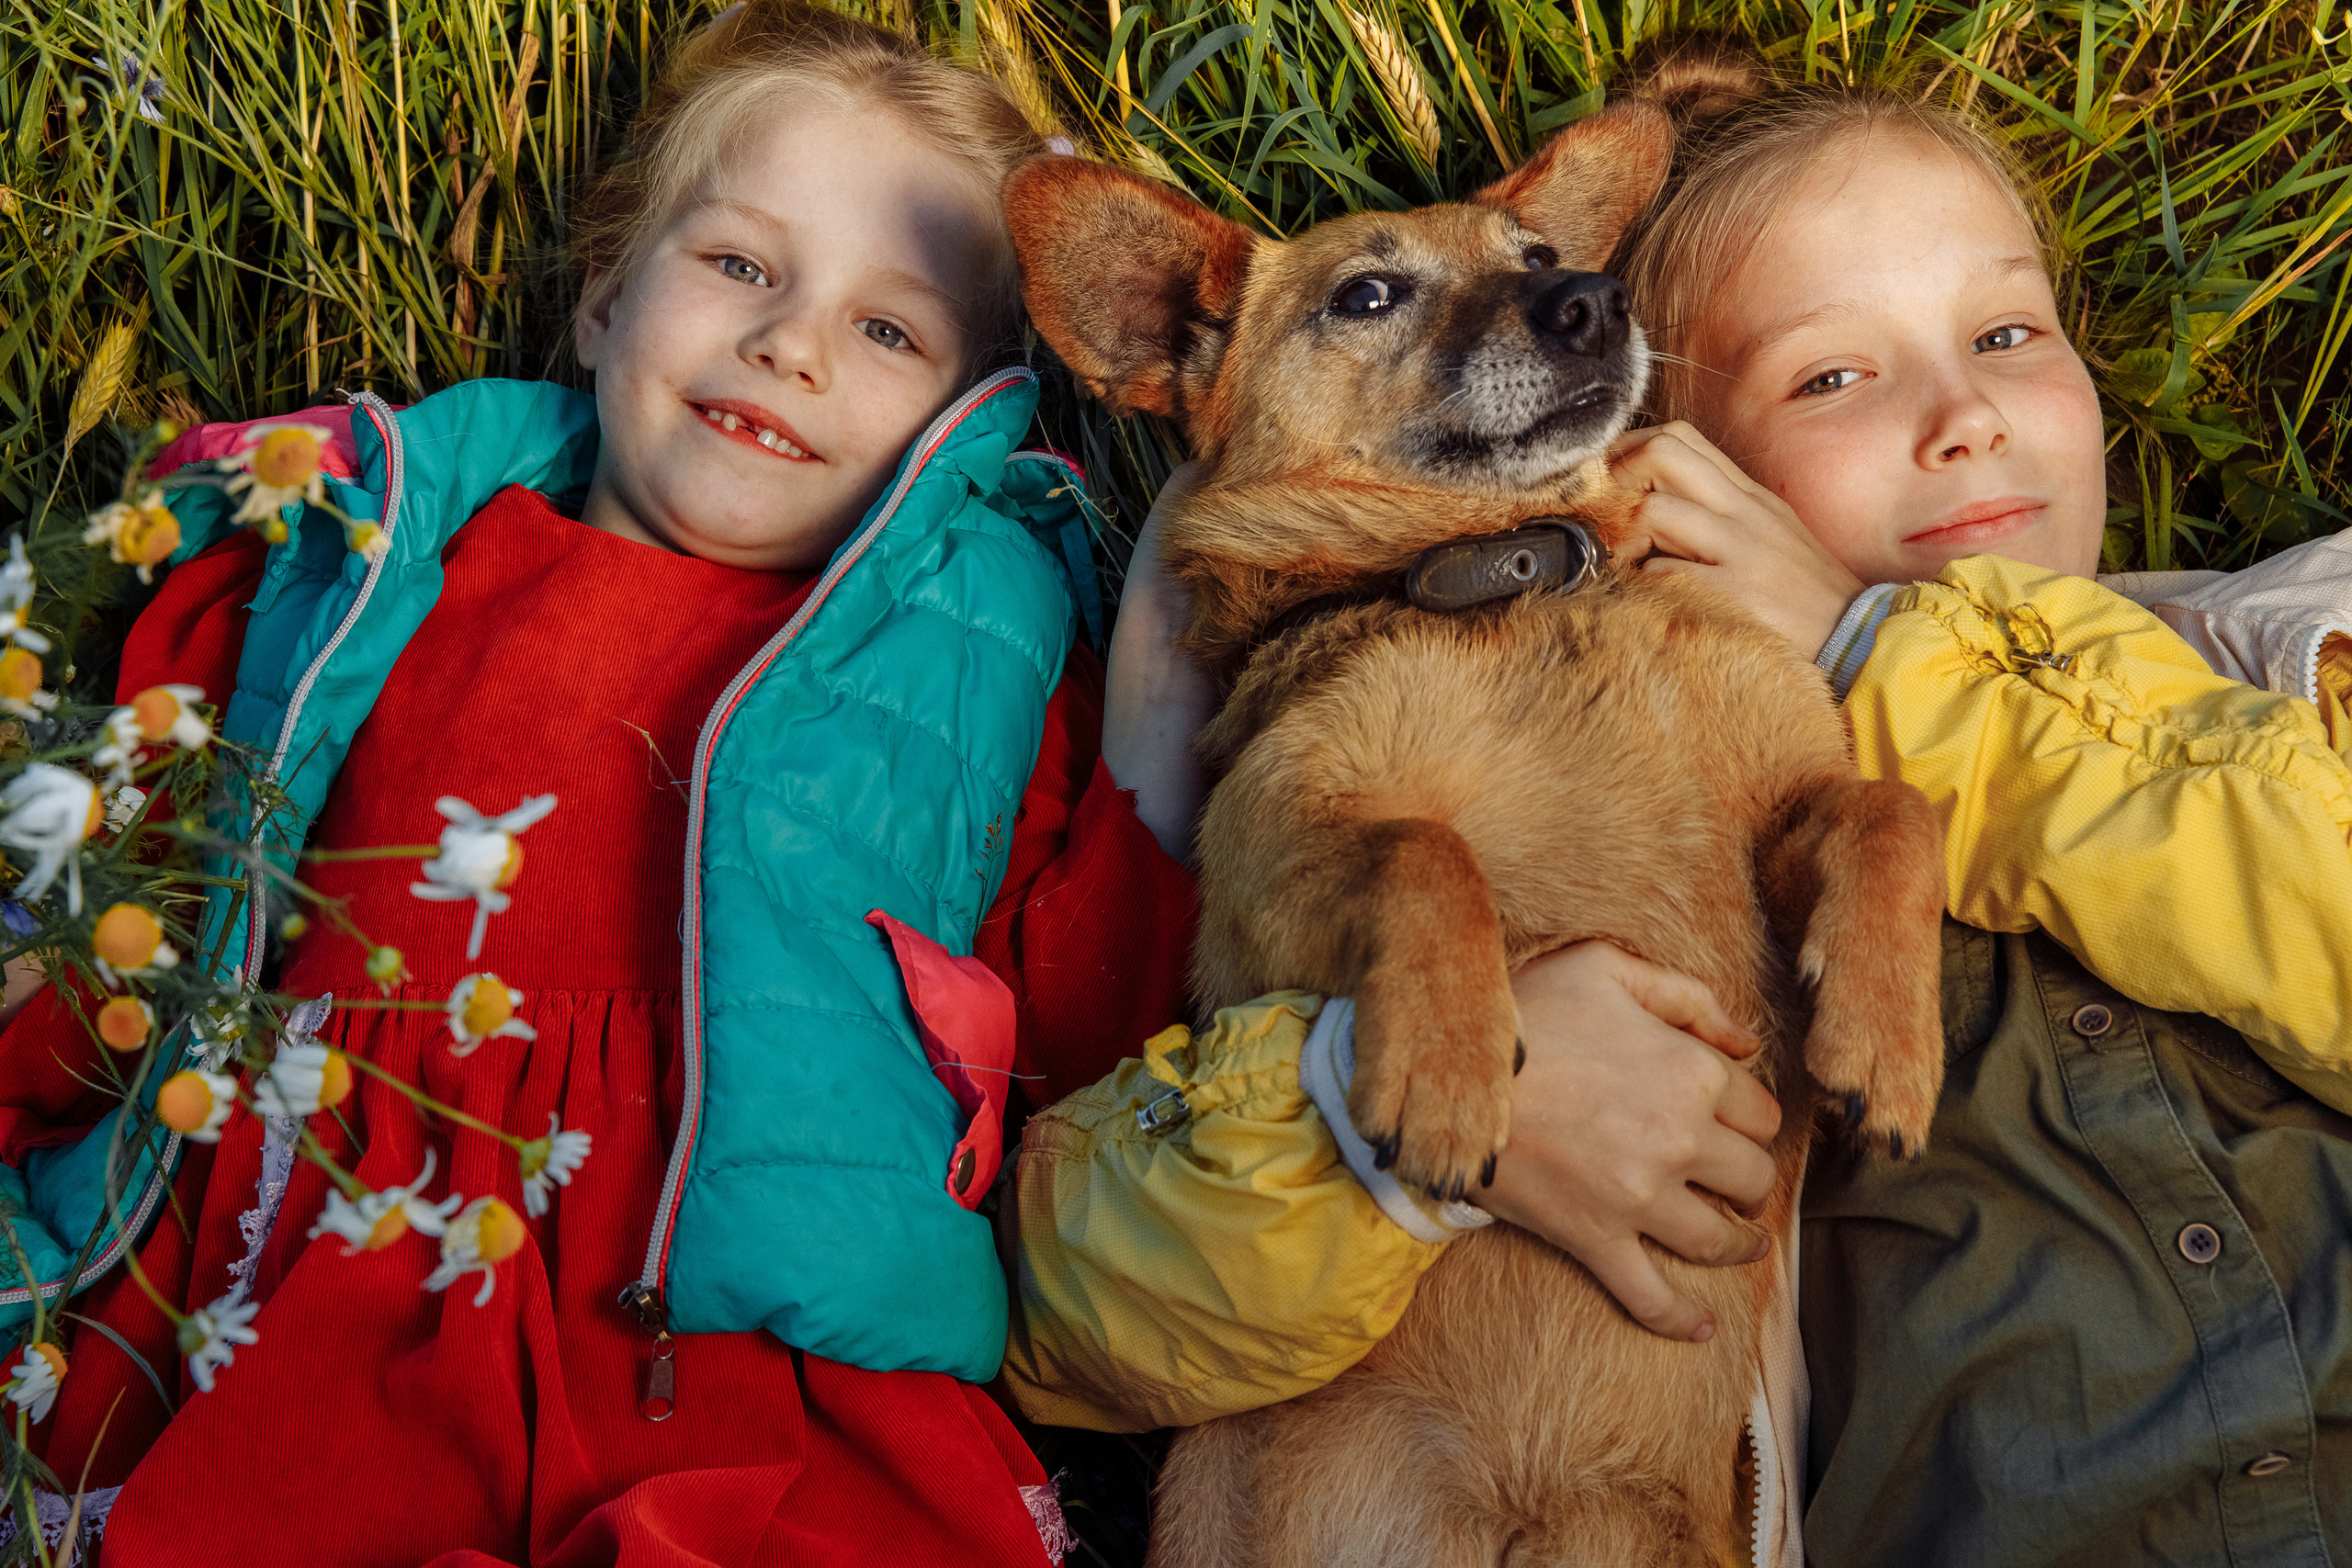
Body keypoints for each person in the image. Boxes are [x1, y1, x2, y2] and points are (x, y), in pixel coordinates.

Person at [1001, 58, 2352, 1568]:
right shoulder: (1338, 705)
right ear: (1693, 452)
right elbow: (1055, 1291)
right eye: (1831, 375)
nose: (1962, 415)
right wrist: (1371, 1108)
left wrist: (1878, 673)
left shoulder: (2294, 648)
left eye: (2009, 331)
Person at [0, 6, 1193, 1563]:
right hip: (350, 1269)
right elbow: (177, 876)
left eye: (890, 332)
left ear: (964, 435)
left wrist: (1164, 696)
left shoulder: (965, 664)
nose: (794, 344)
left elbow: (1082, 1010)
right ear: (606, 299)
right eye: (742, 267)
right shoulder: (392, 547)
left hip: (736, 1338)